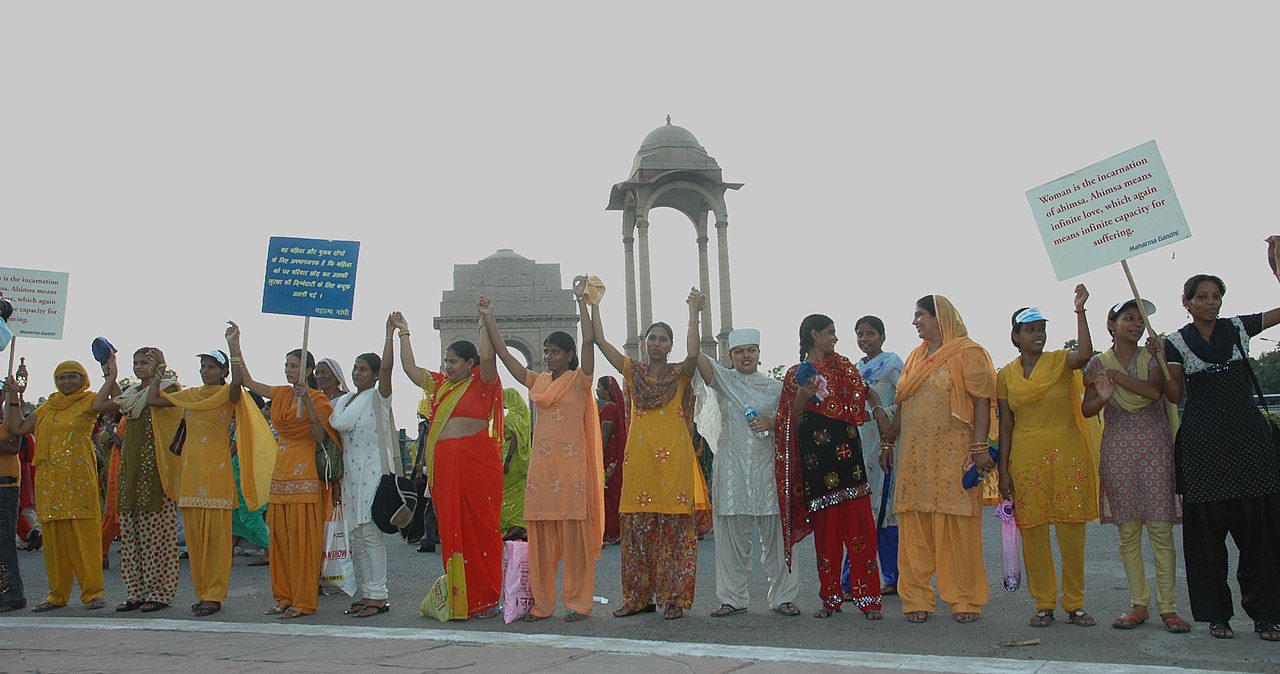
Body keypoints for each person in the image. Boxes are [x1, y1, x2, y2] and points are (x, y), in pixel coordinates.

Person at [1154, 256, 1280, 642]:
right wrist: (1158, 357)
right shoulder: (1174, 341)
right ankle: (1216, 615)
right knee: (1206, 541)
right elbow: (1174, 395)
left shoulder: (1239, 328)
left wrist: (1277, 269)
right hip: (1202, 449)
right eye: (1202, 296)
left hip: (1249, 444)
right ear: (1186, 302)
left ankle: (1266, 615)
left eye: (1216, 296)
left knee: (1261, 536)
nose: (1211, 302)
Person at [481, 284, 603, 622]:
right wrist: (489, 318)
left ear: (569, 354)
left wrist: (582, 303)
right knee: (542, 544)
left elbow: (590, 342)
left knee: (575, 545)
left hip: (572, 471)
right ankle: (542, 605)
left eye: (554, 352)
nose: (548, 356)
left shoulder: (581, 381)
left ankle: (578, 603)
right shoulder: (538, 382)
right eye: (546, 351)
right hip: (542, 471)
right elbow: (507, 357)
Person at [592, 288, 709, 620]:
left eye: (662, 338)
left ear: (669, 345)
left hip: (674, 462)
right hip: (640, 463)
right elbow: (601, 342)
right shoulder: (633, 373)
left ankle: (673, 599)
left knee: (674, 532)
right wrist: (595, 305)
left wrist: (692, 313)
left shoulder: (679, 374)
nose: (656, 343)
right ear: (644, 343)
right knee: (637, 532)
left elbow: (694, 352)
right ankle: (638, 598)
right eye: (652, 338)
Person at [886, 295, 997, 625]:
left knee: (957, 527)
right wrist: (887, 442)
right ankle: (916, 597)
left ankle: (964, 598)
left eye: (920, 315)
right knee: (914, 524)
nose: (915, 321)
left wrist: (979, 447)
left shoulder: (968, 353)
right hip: (915, 456)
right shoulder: (915, 357)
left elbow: (981, 402)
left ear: (940, 317)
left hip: (954, 453)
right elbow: (904, 402)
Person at [1081, 299, 1189, 633]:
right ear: (1111, 324)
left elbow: (1156, 393)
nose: (1137, 325)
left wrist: (1116, 377)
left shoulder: (1152, 357)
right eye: (1129, 318)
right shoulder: (1098, 363)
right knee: (1128, 533)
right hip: (1118, 451)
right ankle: (1138, 604)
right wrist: (1102, 392)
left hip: (1155, 449)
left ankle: (1168, 608)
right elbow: (1088, 409)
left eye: (1140, 320)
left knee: (1160, 531)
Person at [997, 286, 1100, 628]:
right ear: (1015, 336)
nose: (1038, 334)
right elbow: (1006, 427)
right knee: (1034, 531)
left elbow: (1084, 354)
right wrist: (1003, 471)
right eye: (1030, 329)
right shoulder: (1006, 376)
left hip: (1068, 454)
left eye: (1041, 328)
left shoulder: (1060, 361)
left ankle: (1075, 604)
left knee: (1072, 531)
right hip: (1026, 459)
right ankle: (1044, 603)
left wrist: (1080, 311)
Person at [776, 314, 889, 620]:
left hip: (850, 464)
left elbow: (869, 392)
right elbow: (792, 420)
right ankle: (831, 599)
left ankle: (869, 600)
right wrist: (803, 395)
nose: (835, 338)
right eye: (830, 332)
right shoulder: (796, 374)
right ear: (815, 335)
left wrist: (878, 409)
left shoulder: (844, 368)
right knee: (826, 537)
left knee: (862, 533)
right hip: (818, 465)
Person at [148, 345, 275, 618]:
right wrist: (160, 368)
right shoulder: (191, 395)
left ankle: (214, 596)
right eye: (203, 366)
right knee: (194, 538)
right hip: (192, 472)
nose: (205, 371)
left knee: (217, 539)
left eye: (211, 366)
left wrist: (234, 348)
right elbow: (153, 399)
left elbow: (239, 383)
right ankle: (202, 592)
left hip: (217, 471)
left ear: (223, 371)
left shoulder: (227, 394)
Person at [392, 311, 503, 620]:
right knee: (454, 529)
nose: (447, 366)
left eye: (453, 361)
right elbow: (411, 370)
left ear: (470, 364)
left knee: (481, 528)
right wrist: (404, 333)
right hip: (445, 467)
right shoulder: (441, 385)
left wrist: (483, 321)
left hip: (476, 464)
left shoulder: (484, 382)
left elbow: (489, 356)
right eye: (446, 361)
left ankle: (487, 598)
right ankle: (461, 596)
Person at [226, 323, 338, 620]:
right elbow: (247, 381)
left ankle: (304, 600)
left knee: (304, 542)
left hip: (306, 475)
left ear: (309, 369)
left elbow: (319, 436)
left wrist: (308, 403)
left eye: (294, 365)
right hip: (281, 471)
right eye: (287, 365)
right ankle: (284, 596)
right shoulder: (279, 393)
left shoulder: (319, 400)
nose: (288, 370)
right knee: (280, 541)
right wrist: (234, 347)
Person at [694, 326, 800, 618]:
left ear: (759, 354)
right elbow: (695, 355)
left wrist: (772, 422)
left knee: (777, 537)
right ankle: (732, 599)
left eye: (750, 351)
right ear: (730, 356)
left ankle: (783, 597)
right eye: (739, 352)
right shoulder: (724, 381)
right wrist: (694, 316)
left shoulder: (775, 388)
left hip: (766, 470)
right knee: (730, 539)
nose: (745, 356)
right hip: (732, 470)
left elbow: (792, 424)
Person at [5, 361, 105, 611]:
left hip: (79, 480)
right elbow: (17, 428)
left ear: (84, 379)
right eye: (62, 377)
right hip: (50, 480)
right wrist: (14, 397)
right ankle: (57, 595)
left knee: (84, 538)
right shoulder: (48, 406)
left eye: (73, 377)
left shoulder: (90, 401)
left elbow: (113, 402)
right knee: (54, 542)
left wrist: (111, 372)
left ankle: (92, 593)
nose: (67, 382)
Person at [92, 348, 181, 613]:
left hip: (156, 471)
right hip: (131, 471)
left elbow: (152, 400)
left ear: (160, 364)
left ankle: (160, 593)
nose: (139, 366)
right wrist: (112, 375)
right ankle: (136, 592)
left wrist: (159, 374)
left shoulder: (169, 388)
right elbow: (98, 405)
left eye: (146, 362)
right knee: (131, 535)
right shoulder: (130, 395)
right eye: (136, 363)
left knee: (157, 536)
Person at [329, 321, 395, 619]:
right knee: (356, 534)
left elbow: (387, 371)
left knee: (370, 533)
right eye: (355, 368)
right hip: (350, 475)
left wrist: (389, 335)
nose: (357, 373)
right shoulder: (343, 402)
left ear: (374, 374)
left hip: (373, 471)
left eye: (363, 369)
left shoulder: (378, 398)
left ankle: (379, 595)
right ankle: (367, 592)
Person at [842, 316, 904, 597]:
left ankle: (894, 578)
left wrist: (881, 414)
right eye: (860, 334)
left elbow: (905, 399)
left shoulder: (893, 364)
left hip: (885, 442)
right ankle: (852, 580)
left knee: (885, 512)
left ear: (882, 335)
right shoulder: (856, 369)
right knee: (860, 511)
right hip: (859, 446)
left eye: (870, 334)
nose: (865, 339)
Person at [0, 410, 25, 613]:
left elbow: (14, 447)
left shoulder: (9, 421)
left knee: (4, 542)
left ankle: (11, 594)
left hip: (4, 487)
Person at [597, 376, 626, 545]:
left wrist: (599, 453)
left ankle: (612, 531)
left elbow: (604, 434)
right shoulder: (614, 407)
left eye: (600, 387)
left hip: (610, 455)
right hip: (615, 454)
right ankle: (615, 531)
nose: (597, 390)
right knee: (614, 492)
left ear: (607, 391)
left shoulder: (608, 408)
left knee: (609, 492)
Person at [499, 388, 530, 540]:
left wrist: (507, 460)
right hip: (521, 460)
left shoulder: (511, 417)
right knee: (518, 492)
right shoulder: (525, 416)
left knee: (505, 492)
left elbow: (514, 440)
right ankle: (519, 525)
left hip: (510, 459)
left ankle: (510, 524)